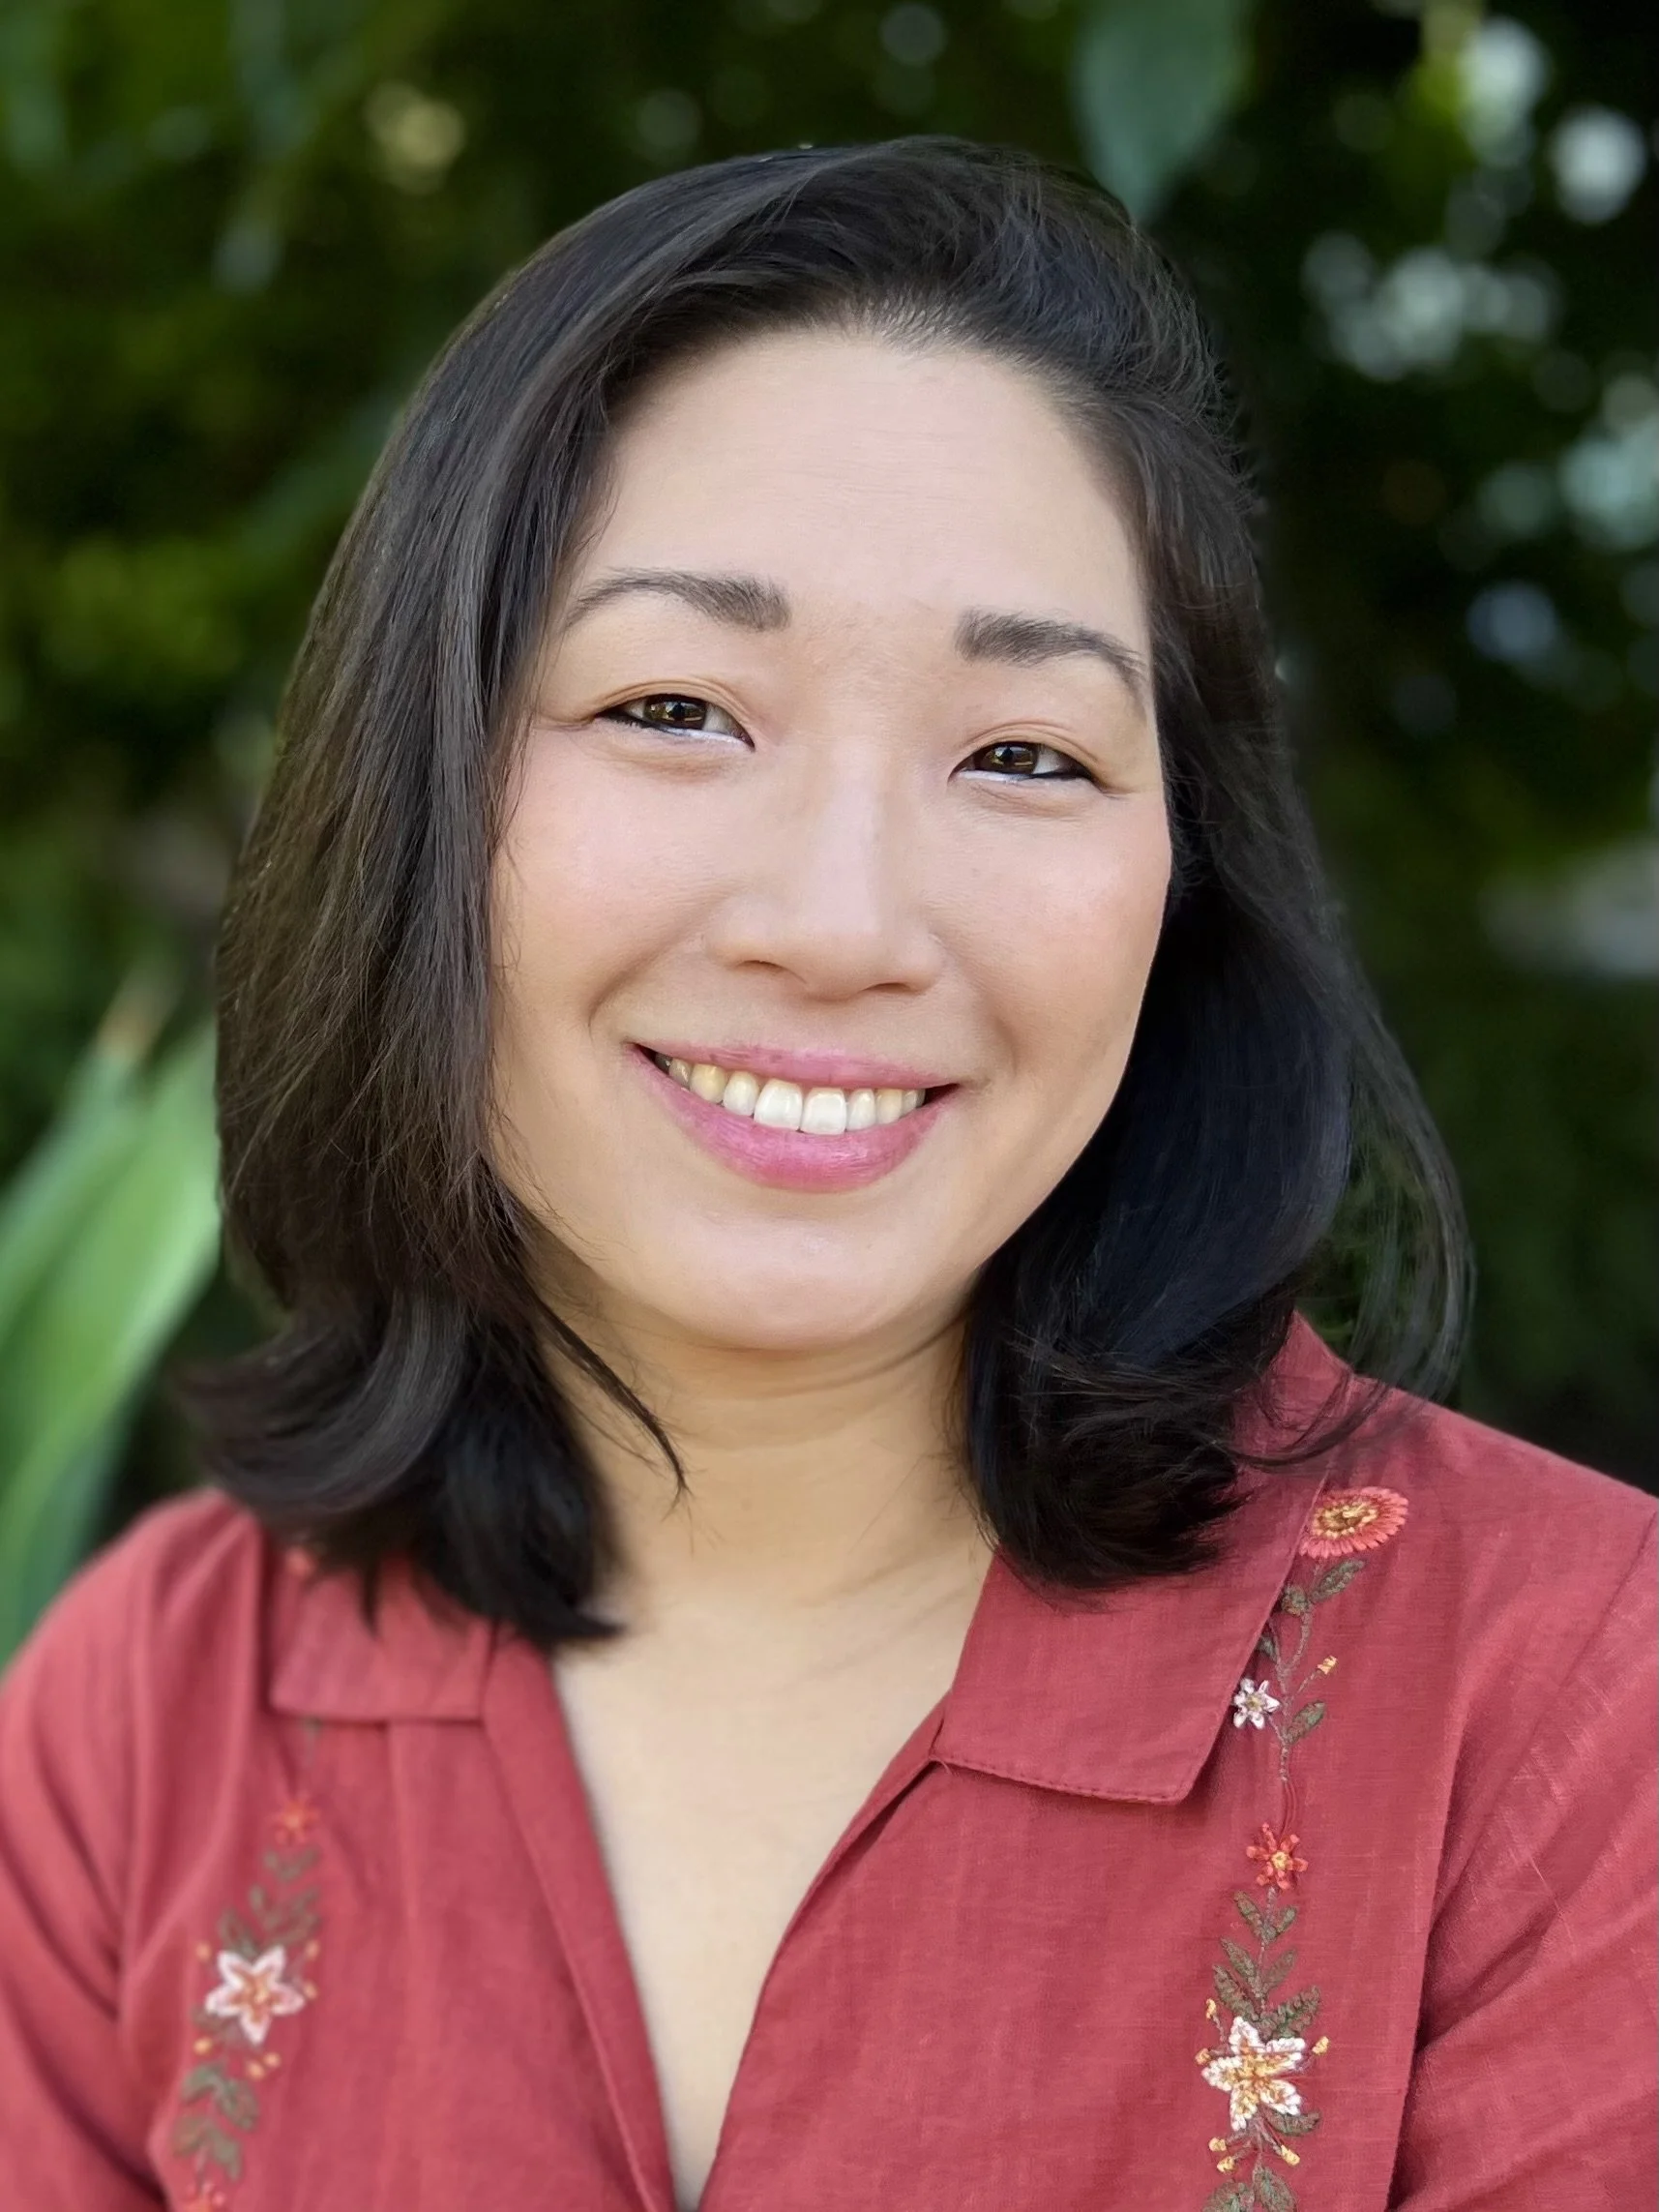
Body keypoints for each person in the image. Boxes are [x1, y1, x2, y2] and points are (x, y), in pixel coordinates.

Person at [0, 138, 1651, 2212]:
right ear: (413, 802)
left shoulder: (1565, 1709)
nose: (842, 921)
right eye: (676, 708)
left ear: (1181, 882)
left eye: (1023, 752)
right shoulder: (153, 1714)